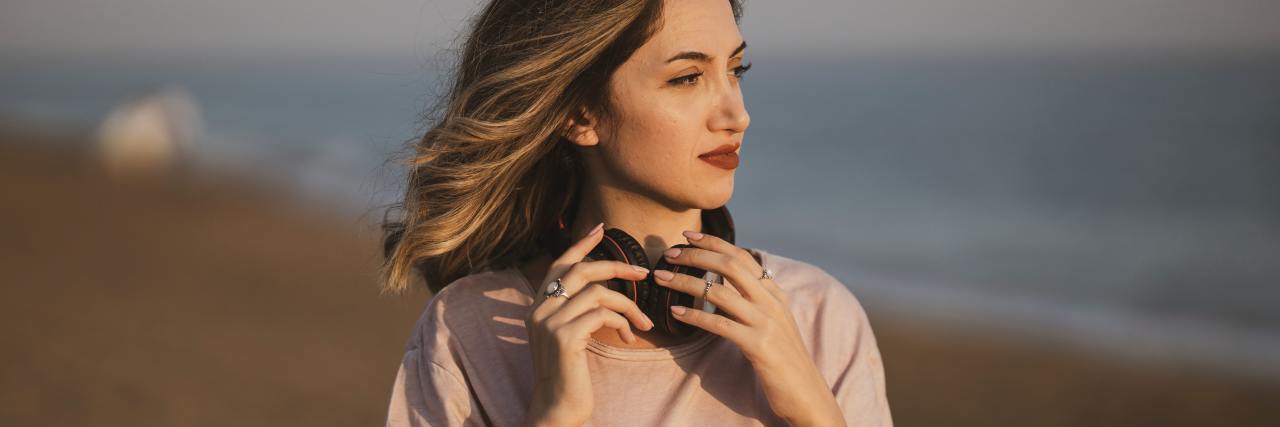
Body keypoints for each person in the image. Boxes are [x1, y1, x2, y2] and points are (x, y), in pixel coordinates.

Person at [379, 0, 892, 425]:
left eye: (736, 70)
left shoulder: (818, 315)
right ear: (579, 114)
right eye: (687, 78)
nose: (738, 114)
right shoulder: (469, 330)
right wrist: (553, 416)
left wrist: (815, 411)